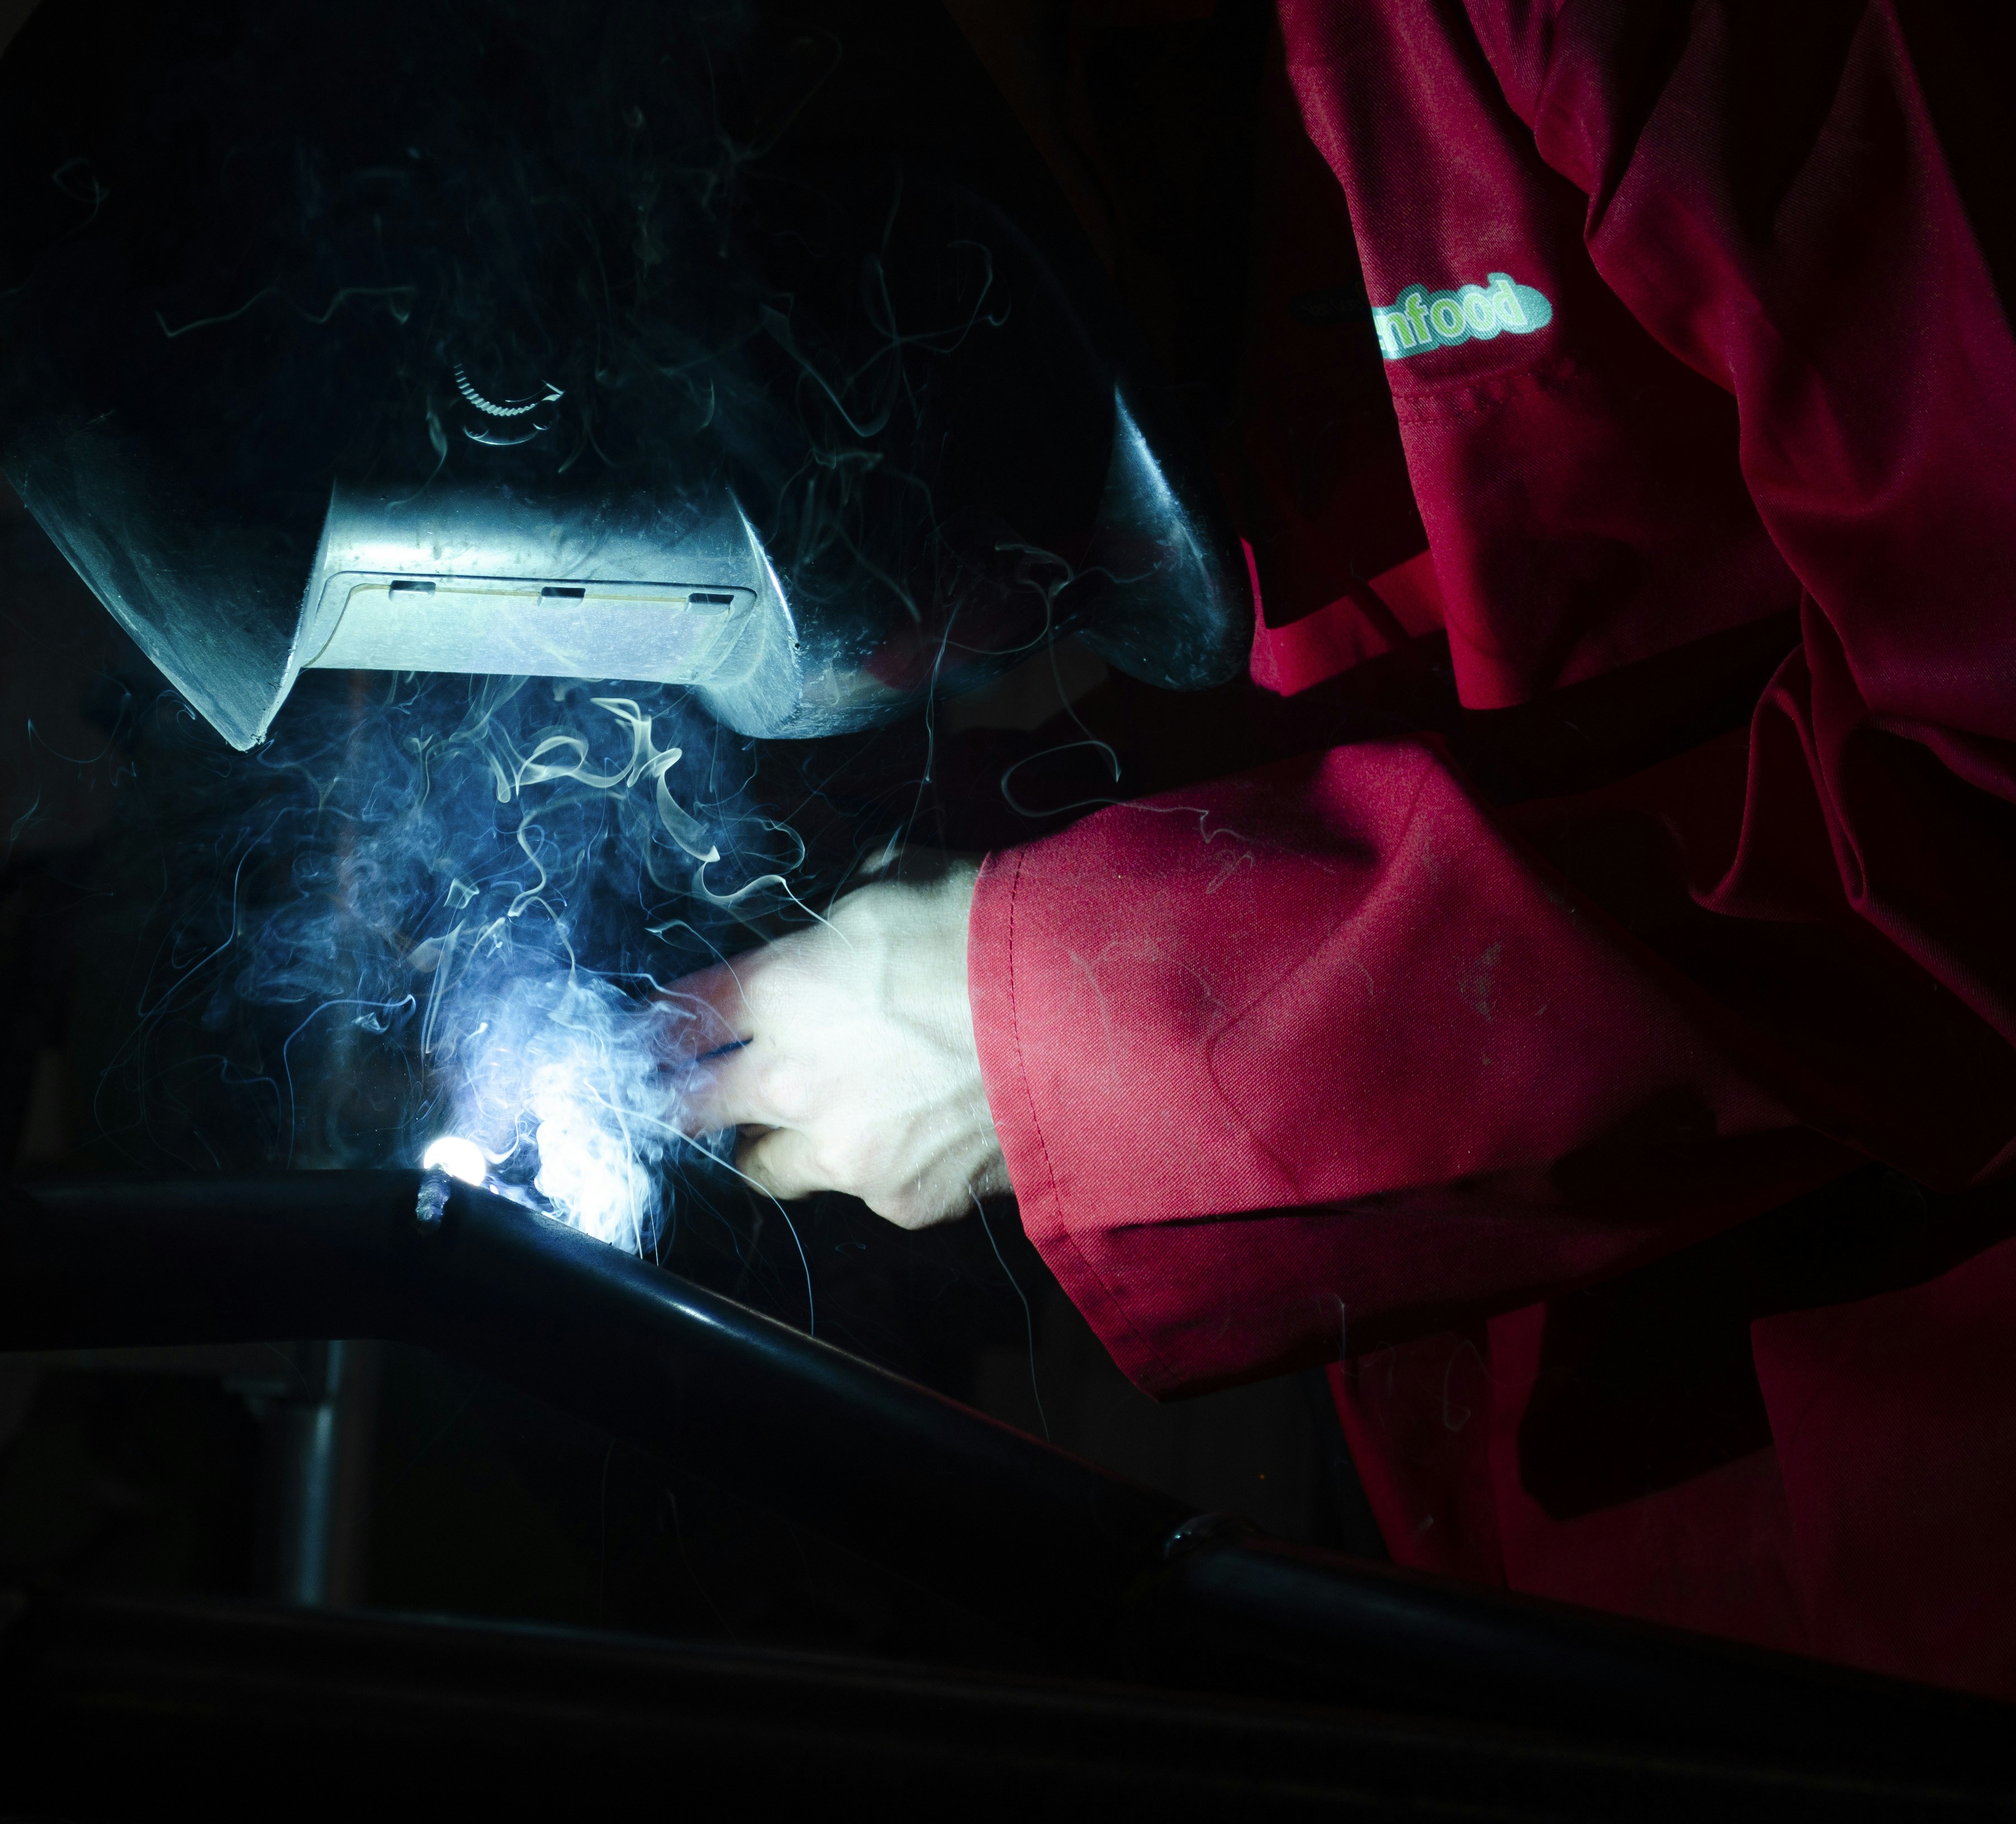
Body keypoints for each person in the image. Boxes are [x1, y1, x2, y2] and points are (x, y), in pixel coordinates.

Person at [675, 0, 2016, 1703]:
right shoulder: (1126, 88)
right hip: (1565, 1594)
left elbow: (1975, 787)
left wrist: (1062, 1025)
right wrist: (930, 852)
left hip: (1929, 1551)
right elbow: (1485, 682)